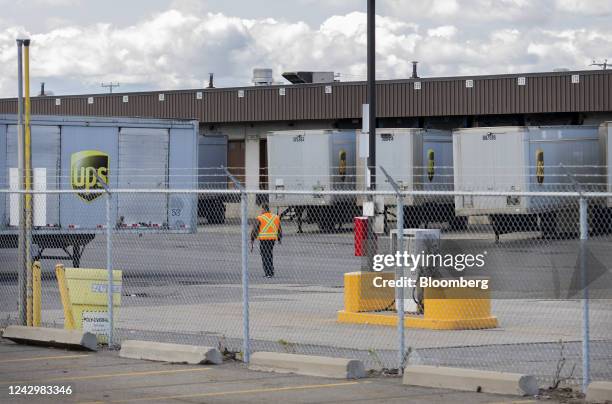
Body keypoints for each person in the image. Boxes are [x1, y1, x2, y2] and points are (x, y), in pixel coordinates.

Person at [251, 203, 282, 278]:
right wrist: (279, 238)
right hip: (272, 239)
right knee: (269, 254)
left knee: (264, 255)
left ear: (263, 209)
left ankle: (268, 272)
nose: (261, 210)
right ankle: (271, 271)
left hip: (264, 239)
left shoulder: (260, 218)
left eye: (261, 209)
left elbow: (255, 229)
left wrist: (252, 238)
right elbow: (279, 229)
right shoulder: (276, 217)